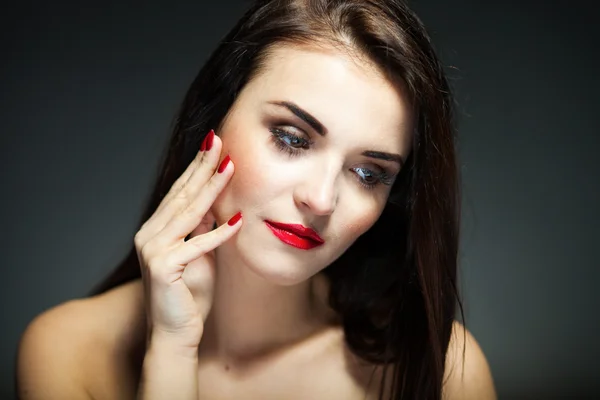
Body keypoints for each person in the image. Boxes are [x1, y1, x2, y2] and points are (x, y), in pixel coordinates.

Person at [16, 0, 496, 399]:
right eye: (292, 138)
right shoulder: (69, 350)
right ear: (214, 120)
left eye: (368, 173)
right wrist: (172, 352)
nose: (321, 199)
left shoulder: (442, 369)